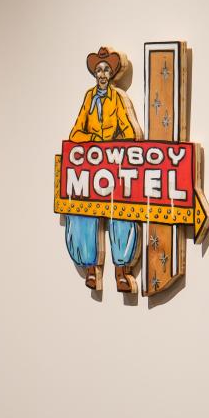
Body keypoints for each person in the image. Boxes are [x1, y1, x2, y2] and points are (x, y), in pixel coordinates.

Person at [64, 46, 144, 293]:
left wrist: (110, 145)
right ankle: (90, 268)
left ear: (112, 74)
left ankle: (121, 270)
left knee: (121, 212)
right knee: (80, 210)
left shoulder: (118, 99)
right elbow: (76, 132)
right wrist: (92, 142)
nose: (101, 74)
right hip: (91, 168)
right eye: (98, 70)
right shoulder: (89, 98)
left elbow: (131, 132)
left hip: (114, 167)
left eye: (106, 70)